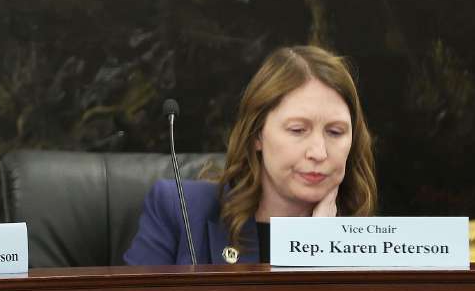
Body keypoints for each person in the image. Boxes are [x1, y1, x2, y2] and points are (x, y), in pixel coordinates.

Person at [124, 45, 377, 265]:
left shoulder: (370, 242)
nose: (319, 152)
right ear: (257, 135)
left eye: (335, 132)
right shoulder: (179, 210)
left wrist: (320, 250)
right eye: (298, 130)